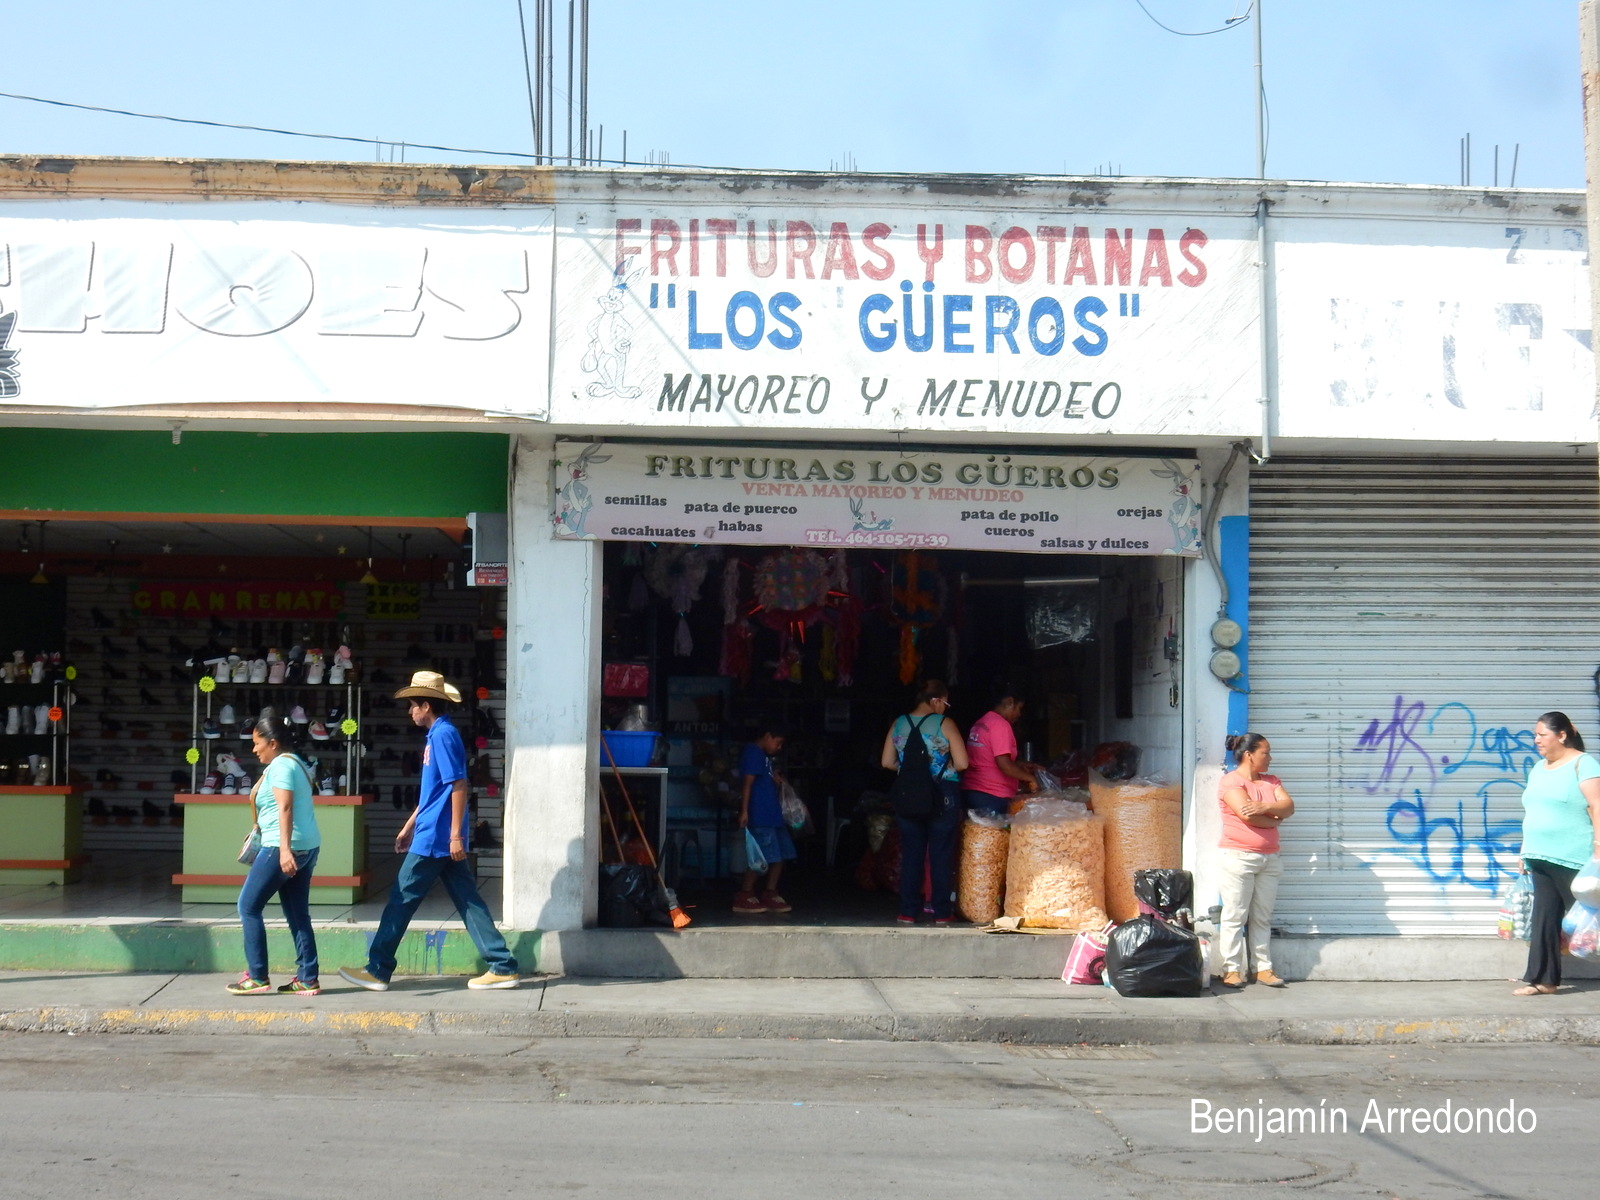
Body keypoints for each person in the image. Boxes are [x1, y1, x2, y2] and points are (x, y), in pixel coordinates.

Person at [339, 671, 519, 992]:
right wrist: (409, 826)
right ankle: (502, 965)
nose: (410, 712)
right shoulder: (438, 734)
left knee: (401, 899)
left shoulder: (442, 736)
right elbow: (433, 793)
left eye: (413, 706)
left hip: (436, 838)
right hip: (432, 833)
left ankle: (378, 969)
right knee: (467, 900)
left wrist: (454, 836)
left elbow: (459, 785)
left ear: (426, 705)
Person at [227, 712, 321, 995]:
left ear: (274, 743)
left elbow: (285, 807)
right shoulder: (296, 763)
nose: (254, 749)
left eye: (258, 744)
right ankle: (307, 978)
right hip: (306, 845)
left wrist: (283, 851)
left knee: (248, 906)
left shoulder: (281, 766)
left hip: (284, 847)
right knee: (297, 913)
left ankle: (256, 976)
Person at [1514, 711, 1600, 996]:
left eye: (1542, 734)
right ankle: (1543, 980)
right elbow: (1534, 811)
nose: (1536, 740)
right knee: (1545, 919)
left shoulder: (1583, 764)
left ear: (1562, 735)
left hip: (1575, 857)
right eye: (1535, 735)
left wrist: (1599, 849)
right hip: (1540, 855)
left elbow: (1597, 806)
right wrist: (1524, 851)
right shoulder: (1538, 767)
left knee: (1590, 920)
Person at [881, 679, 969, 925]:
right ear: (935, 701)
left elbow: (886, 762)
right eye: (945, 702)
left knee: (912, 854)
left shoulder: (898, 724)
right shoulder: (945, 723)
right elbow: (962, 763)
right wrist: (945, 766)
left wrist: (909, 772)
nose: (946, 708)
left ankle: (907, 911)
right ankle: (942, 913)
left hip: (908, 794)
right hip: (942, 793)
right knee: (940, 854)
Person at [1215, 732, 1294, 988]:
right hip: (1239, 857)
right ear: (1249, 755)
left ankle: (1263, 968)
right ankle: (1231, 969)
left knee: (1262, 916)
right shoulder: (1231, 782)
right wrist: (1274, 816)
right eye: (1265, 752)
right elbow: (1246, 815)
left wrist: (1264, 808)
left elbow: (1289, 807)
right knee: (1235, 915)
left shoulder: (1271, 781)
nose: (1270, 758)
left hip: (1269, 859)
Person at [733, 726, 793, 915]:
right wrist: (744, 811)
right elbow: (747, 784)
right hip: (760, 815)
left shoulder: (764, 757)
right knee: (761, 858)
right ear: (767, 735)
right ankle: (745, 894)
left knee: (780, 855)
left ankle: (770, 892)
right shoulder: (753, 753)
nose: (779, 747)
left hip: (772, 815)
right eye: (778, 742)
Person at [962, 684, 1039, 816]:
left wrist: (1020, 765)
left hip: (973, 791)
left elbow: (986, 758)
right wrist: (1031, 778)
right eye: (1019, 708)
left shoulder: (982, 722)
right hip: (992, 795)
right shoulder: (1000, 724)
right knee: (996, 834)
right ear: (1010, 702)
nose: (1019, 714)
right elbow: (1004, 766)